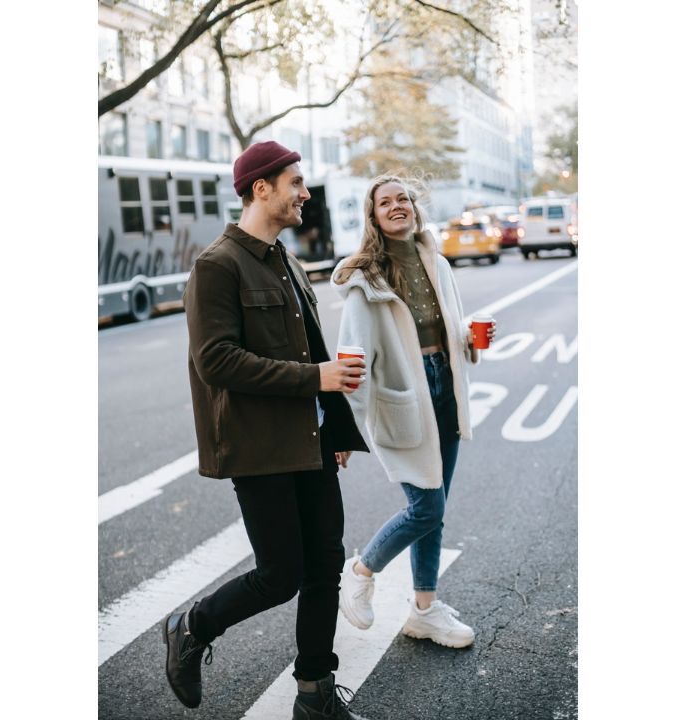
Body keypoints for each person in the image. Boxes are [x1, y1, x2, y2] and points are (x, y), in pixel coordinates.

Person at [165, 140, 373, 720]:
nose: (305, 193)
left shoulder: (284, 258)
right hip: (259, 447)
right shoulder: (217, 266)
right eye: (296, 183)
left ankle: (314, 694)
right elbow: (217, 361)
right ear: (263, 188)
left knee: (325, 566)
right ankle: (190, 626)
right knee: (281, 575)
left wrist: (334, 429)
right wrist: (318, 378)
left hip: (309, 441)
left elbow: (311, 348)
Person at [331, 175, 497, 648]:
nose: (397, 206)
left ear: (415, 208)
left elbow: (446, 323)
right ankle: (361, 573)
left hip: (445, 387)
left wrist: (469, 337)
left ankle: (423, 610)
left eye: (403, 198)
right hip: (404, 396)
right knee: (426, 506)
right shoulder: (366, 281)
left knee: (435, 507)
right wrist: (346, 430)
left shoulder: (437, 263)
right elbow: (353, 357)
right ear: (374, 217)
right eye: (386, 202)